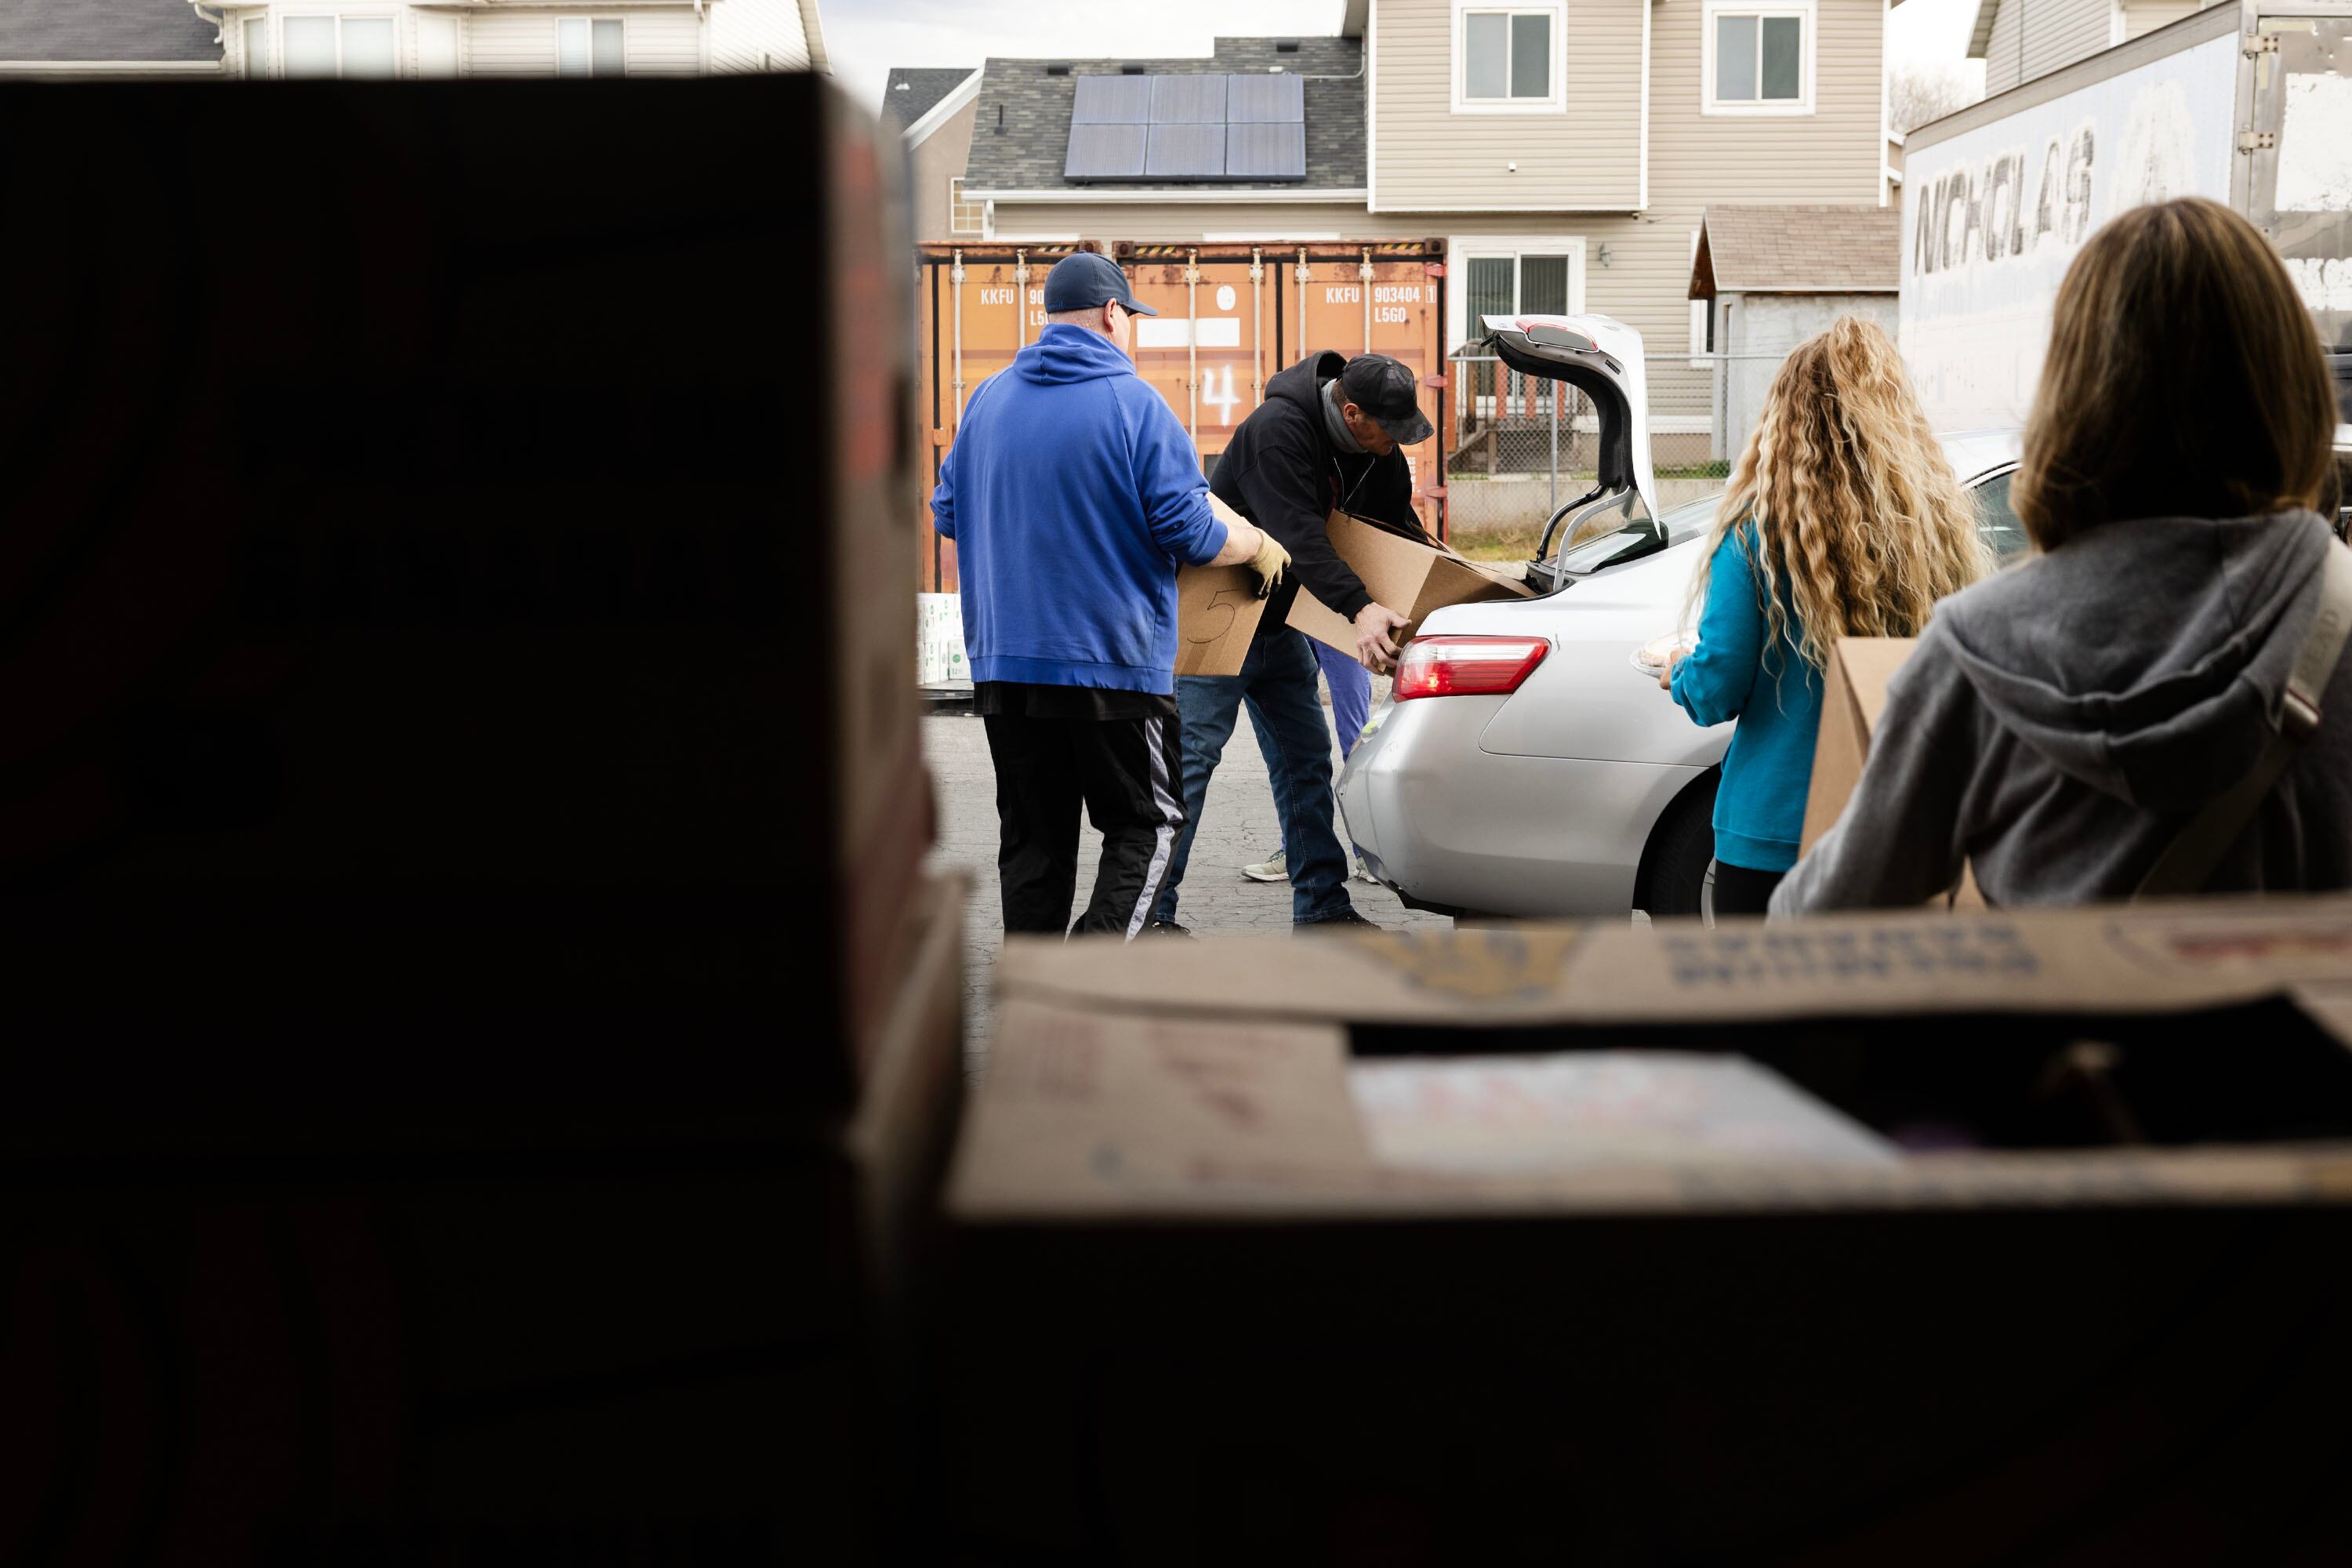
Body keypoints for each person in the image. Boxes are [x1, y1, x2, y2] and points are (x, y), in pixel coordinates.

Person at [1775, 198, 2352, 912]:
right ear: (2290, 385)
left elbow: (1822, 916)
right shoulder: (2340, 614)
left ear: (2075, 395)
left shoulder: (1973, 651)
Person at [932, 251, 1285, 938]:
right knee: (1149, 827)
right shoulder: (1135, 404)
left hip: (1006, 667)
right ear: (1113, 314)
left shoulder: (987, 399)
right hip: (1111, 663)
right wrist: (1257, 544)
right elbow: (1191, 532)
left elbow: (947, 514)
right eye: (1130, 319)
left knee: (1034, 843)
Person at [1661, 316, 1988, 916]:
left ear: (1784, 423)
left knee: (1768, 1005)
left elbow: (1717, 687)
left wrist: (1681, 671)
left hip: (1772, 834)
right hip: (1897, 825)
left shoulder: (1758, 538)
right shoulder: (1936, 537)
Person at [1150, 350, 1432, 931]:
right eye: (1389, 430)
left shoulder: (1375, 452)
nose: (1396, 443)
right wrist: (1358, 609)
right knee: (1192, 765)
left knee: (1305, 760)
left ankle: (1323, 906)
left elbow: (1396, 529)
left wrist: (1450, 582)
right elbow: (1297, 535)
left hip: (1278, 621)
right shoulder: (1276, 433)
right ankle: (1152, 915)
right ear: (1352, 413)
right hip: (1221, 609)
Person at [1240, 643, 1374, 884]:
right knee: (1290, 744)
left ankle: (1369, 854)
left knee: (1355, 742)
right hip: (1297, 621)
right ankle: (1296, 852)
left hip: (1343, 622)